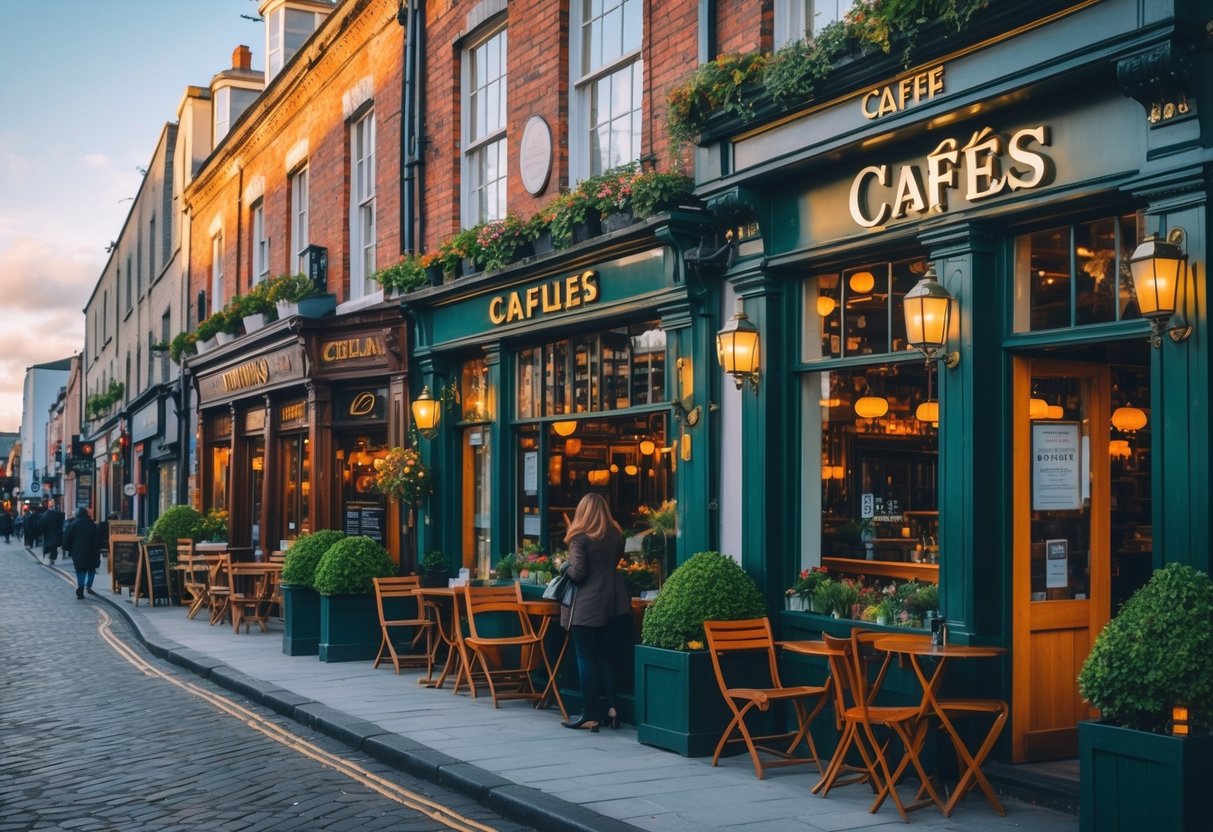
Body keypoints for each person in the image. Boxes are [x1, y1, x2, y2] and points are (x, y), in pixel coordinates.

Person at [559, 492, 632, 732]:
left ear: (583, 512)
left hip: (587, 607)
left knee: (585, 659)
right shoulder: (616, 535)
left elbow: (578, 574)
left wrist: (563, 566)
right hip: (613, 604)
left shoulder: (580, 538)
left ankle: (590, 713)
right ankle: (611, 708)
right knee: (603, 658)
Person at [64, 507, 101, 599]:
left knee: (80, 570)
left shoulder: (73, 524)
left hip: (78, 551)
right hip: (92, 551)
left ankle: (81, 586)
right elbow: (97, 538)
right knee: (91, 569)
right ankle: (89, 586)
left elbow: (67, 537)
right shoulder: (92, 524)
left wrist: (67, 548)